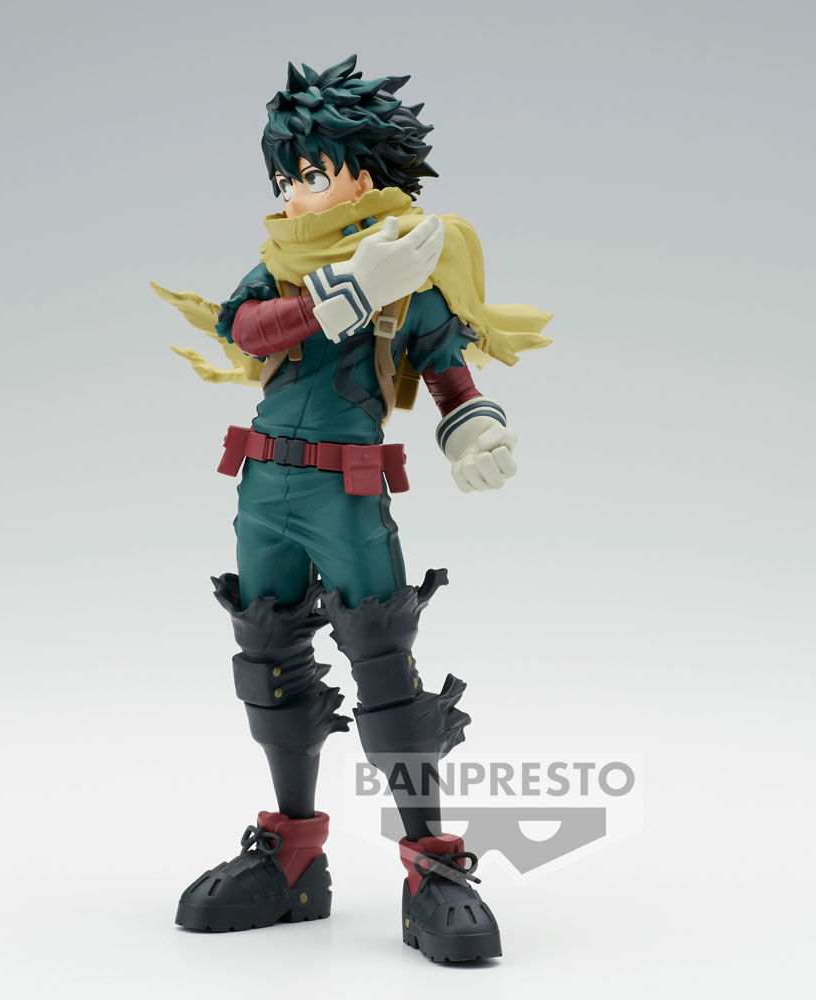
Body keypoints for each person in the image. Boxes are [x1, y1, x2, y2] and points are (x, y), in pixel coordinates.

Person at [153, 55, 551, 962]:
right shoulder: (283, 270)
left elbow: (450, 376)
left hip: (348, 487)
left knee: (382, 661)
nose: (292, 195)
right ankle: (292, 854)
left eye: (310, 173)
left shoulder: (413, 274)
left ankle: (431, 864)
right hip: (263, 487)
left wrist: (476, 433)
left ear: (365, 177)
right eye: (283, 179)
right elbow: (243, 328)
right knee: (268, 655)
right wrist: (344, 293)